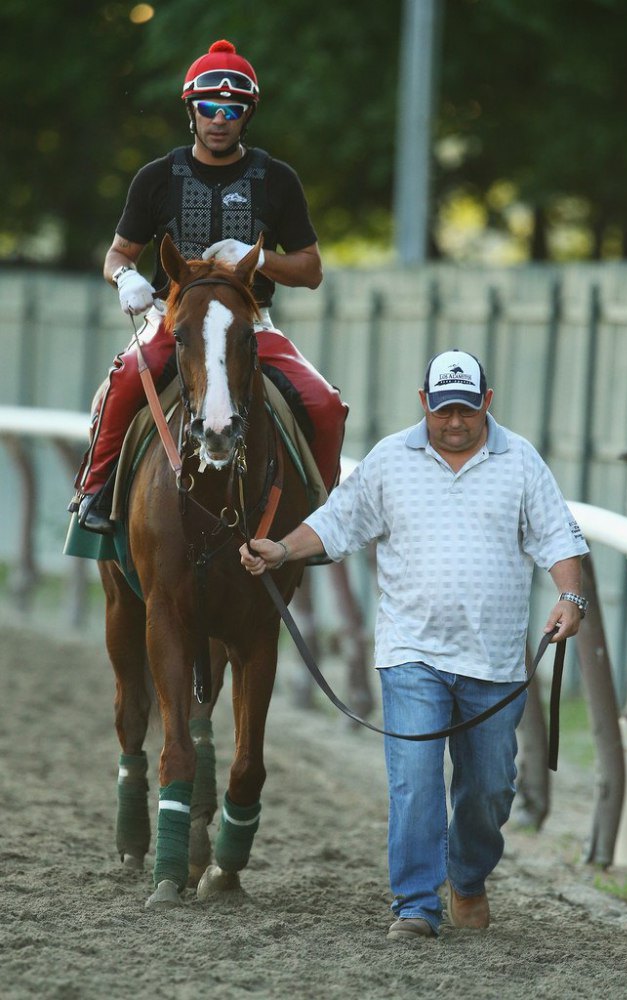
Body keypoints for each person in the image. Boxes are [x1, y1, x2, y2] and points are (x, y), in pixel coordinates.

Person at [240, 348, 589, 941]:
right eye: (444, 410)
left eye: (467, 410)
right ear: (424, 403)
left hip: (497, 659)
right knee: (414, 780)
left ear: (488, 403)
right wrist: (280, 548)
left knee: (490, 789)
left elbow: (559, 539)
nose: (455, 422)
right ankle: (417, 903)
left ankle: (468, 876)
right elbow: (336, 522)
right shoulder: (389, 460)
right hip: (412, 655)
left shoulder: (522, 462)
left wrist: (570, 599)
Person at [71, 39, 347, 534]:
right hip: (173, 319)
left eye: (231, 110)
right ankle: (94, 490)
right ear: (192, 112)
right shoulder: (155, 178)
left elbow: (311, 269)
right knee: (127, 379)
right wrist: (126, 277)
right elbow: (118, 253)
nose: (219, 119)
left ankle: (326, 517)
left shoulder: (278, 179)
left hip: (251, 321)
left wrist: (259, 258)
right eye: (209, 108)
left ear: (247, 115)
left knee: (325, 404)